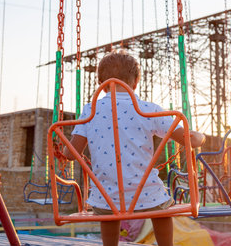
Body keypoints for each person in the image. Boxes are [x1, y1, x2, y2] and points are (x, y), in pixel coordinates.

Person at [64, 51, 206, 246]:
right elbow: (190, 140)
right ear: (136, 81)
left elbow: (70, 154)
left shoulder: (90, 110)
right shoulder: (148, 109)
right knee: (161, 209)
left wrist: (61, 150)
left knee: (110, 207)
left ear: (101, 83)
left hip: (105, 199)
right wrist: (200, 137)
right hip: (147, 196)